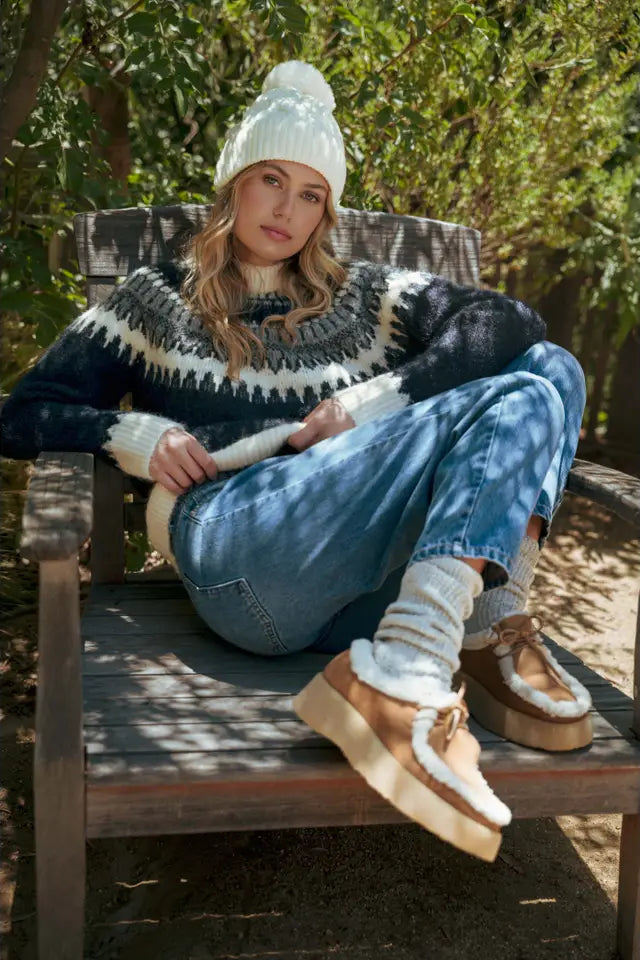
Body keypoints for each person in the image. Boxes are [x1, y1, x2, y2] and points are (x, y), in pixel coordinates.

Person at [0, 60, 589, 862]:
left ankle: (466, 628)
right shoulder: (155, 299)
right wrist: (128, 435)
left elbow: (510, 319)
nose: (286, 208)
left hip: (360, 588)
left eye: (311, 193)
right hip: (243, 550)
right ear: (235, 181)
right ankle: (420, 664)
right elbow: (23, 411)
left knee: (552, 368)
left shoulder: (365, 296)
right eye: (271, 179)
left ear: (325, 212)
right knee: (520, 397)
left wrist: (369, 403)